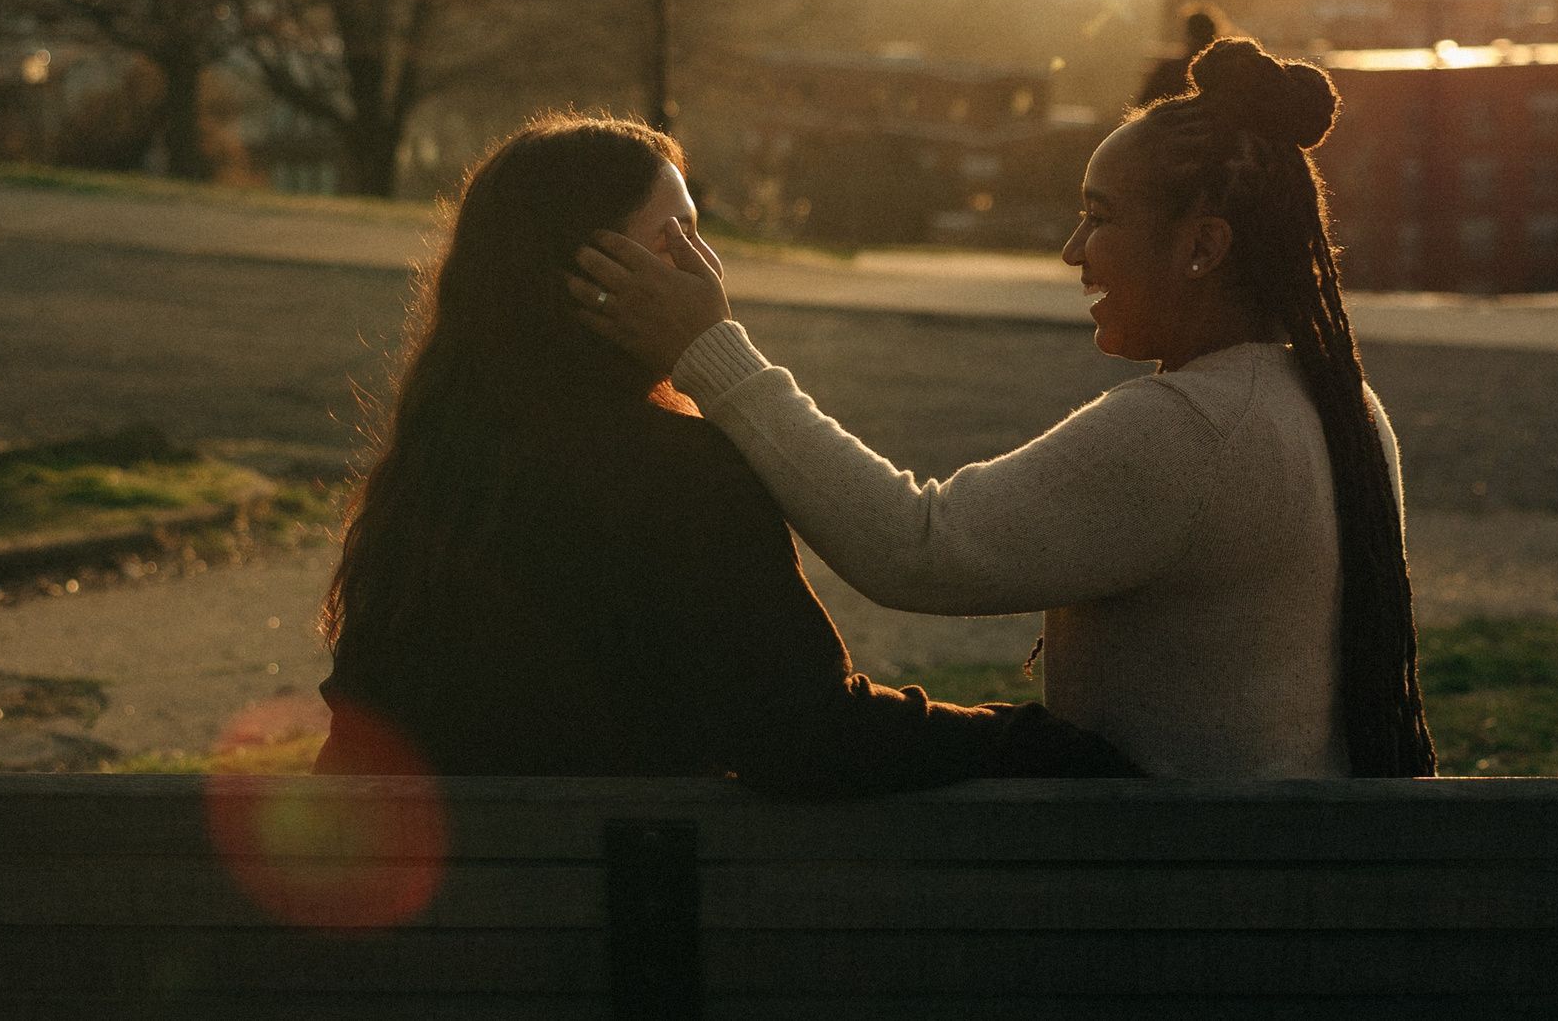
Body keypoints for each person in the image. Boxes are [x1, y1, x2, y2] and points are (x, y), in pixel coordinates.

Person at [571, 40, 1435, 780]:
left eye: (1099, 218)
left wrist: (712, 352)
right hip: (1275, 901)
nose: (1072, 251)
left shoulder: (1192, 432)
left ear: (1203, 246)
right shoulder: (1337, 403)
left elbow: (919, 546)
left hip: (1185, 920)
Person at [314, 112, 1137, 794]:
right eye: (678, 239)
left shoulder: (430, 480)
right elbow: (808, 737)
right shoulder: (673, 475)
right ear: (593, 277)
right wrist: (1032, 743)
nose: (709, 270)